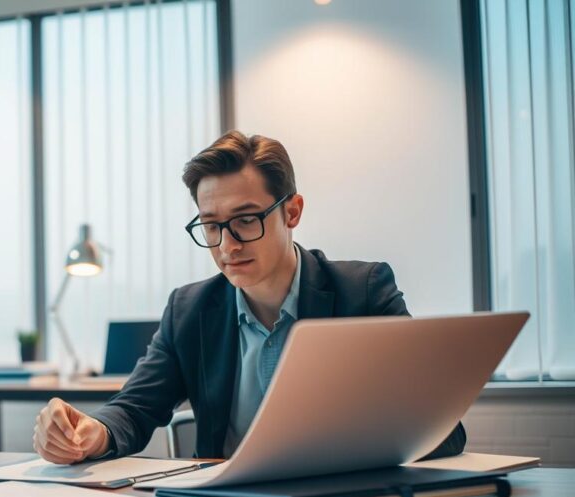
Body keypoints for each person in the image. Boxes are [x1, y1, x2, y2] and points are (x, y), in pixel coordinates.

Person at [32, 130, 466, 464]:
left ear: (292, 211)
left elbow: (444, 431)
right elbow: (134, 409)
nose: (227, 245)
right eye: (211, 226)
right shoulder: (188, 310)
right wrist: (90, 431)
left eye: (245, 220)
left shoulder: (363, 292)